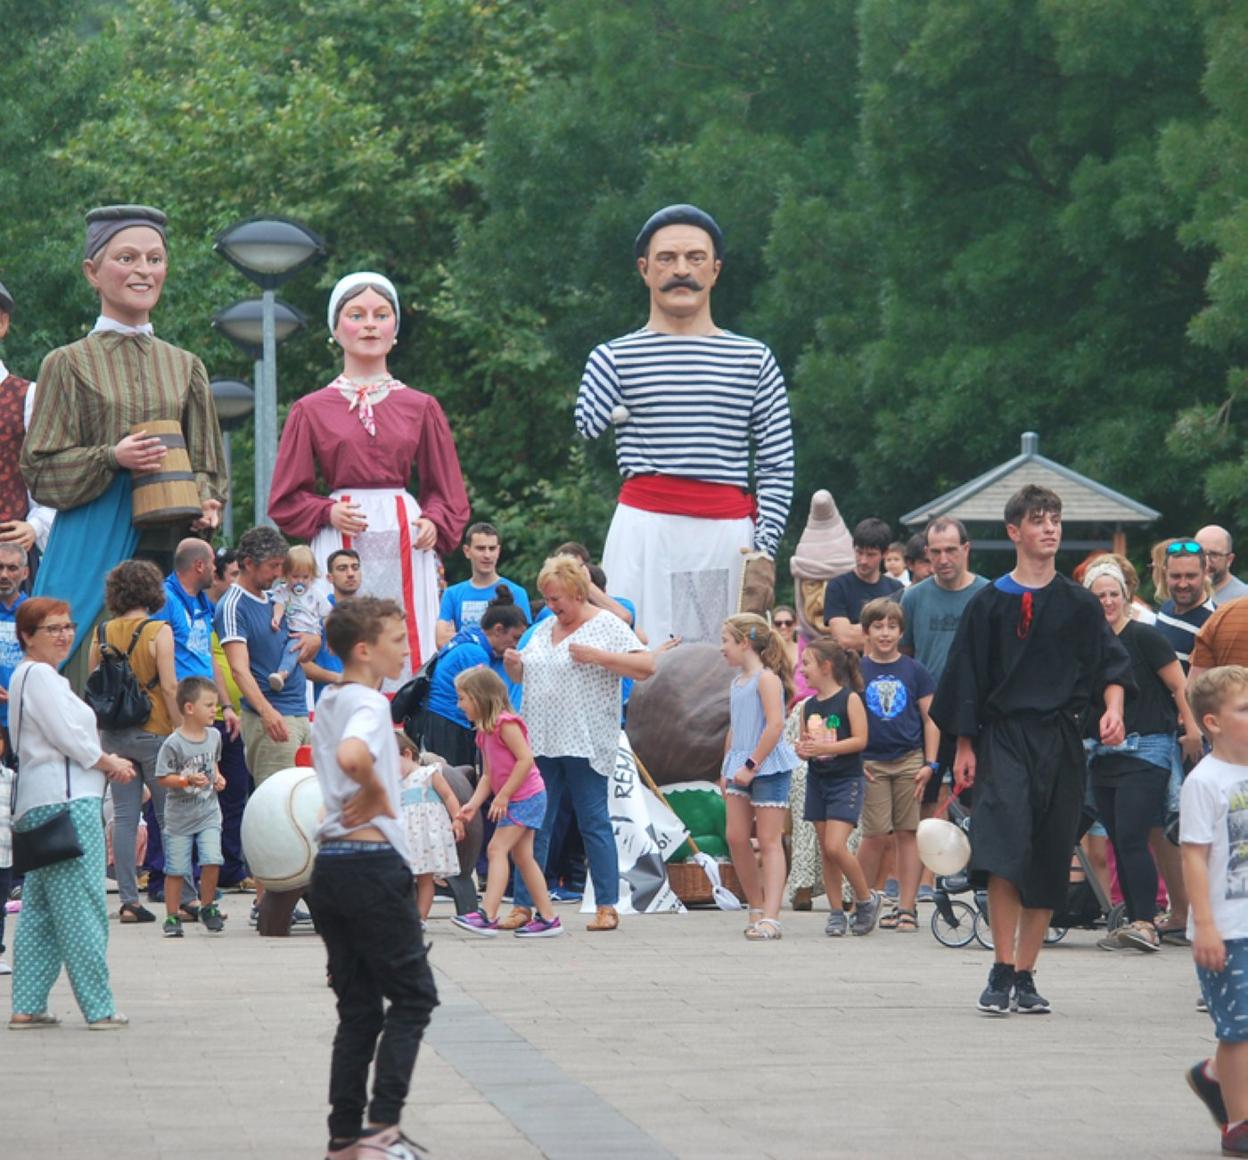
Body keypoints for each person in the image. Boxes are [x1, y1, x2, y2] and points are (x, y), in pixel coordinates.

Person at [932, 484, 1132, 1016]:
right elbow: (966, 679)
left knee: (1047, 854)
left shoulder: (1080, 604)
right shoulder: (988, 604)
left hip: (1061, 739)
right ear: (1014, 531)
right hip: (1003, 738)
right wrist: (964, 748)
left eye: (1056, 520)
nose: (1050, 528)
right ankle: (1000, 967)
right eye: (1039, 520)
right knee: (1003, 848)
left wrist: (1113, 709)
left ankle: (1027, 973)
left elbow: (1110, 665)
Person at [22, 205, 227, 686]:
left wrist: (206, 501)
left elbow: (207, 465)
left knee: (164, 679)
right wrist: (113, 457)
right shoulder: (67, 363)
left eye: (155, 259)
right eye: (128, 258)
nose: (143, 271)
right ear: (92, 272)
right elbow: (39, 470)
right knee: (77, 662)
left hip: (167, 539)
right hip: (92, 533)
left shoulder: (185, 365)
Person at [574, 204, 794, 645]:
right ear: (644, 269)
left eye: (695, 258)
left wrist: (764, 549)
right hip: (645, 530)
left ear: (715, 270)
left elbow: (776, 464)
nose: (681, 270)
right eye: (666, 259)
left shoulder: (753, 358)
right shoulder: (613, 356)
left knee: (717, 664)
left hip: (723, 535)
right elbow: (586, 424)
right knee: (632, 654)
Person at [269, 271, 470, 678]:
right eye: (356, 315)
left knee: (407, 636)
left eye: (380, 315)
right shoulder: (311, 409)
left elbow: (445, 487)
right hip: (341, 530)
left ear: (395, 329)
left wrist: (434, 520)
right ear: (336, 329)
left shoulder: (420, 406)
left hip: (405, 536)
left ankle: (410, 723)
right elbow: (287, 496)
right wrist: (326, 512)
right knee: (342, 632)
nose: (369, 325)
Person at [306, 596, 437, 1160]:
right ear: (364, 650)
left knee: (358, 1009)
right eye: (396, 640)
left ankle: (343, 1140)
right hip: (370, 865)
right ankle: (382, 1131)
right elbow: (356, 754)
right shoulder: (367, 702)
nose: (405, 649)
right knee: (413, 998)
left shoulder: (330, 698)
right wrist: (381, 794)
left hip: (330, 868)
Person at [500, 555, 655, 932]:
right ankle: (524, 904)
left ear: (576, 591)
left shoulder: (606, 626)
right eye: (548, 599)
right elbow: (522, 676)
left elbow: (646, 666)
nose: (552, 606)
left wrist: (598, 656)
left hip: (586, 741)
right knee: (534, 823)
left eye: (558, 599)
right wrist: (513, 666)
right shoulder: (541, 630)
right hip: (541, 741)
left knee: (593, 822)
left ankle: (606, 904)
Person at [8, 597, 135, 1029]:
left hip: (40, 803)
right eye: (52, 628)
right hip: (65, 803)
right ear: (27, 636)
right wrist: (109, 762)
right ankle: (98, 1007)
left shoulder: (31, 676)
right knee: (83, 907)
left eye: (67, 626)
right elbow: (67, 737)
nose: (64, 635)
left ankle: (27, 1004)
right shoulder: (40, 675)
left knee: (41, 912)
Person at [1081, 558, 1201, 952]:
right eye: (1099, 596)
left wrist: (1192, 729)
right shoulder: (1088, 645)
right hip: (1102, 752)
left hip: (1147, 746)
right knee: (1118, 837)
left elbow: (1179, 686)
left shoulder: (1144, 637)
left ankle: (1147, 921)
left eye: (1113, 594)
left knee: (1133, 835)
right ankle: (1134, 919)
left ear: (1126, 597)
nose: (1107, 602)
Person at [88, 559, 181, 922]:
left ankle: (129, 900)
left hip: (114, 735)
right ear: (152, 592)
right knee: (167, 816)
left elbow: (97, 681)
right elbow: (170, 685)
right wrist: (178, 732)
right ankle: (183, 895)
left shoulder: (104, 631)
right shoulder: (159, 630)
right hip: (155, 730)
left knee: (125, 817)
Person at [1181, 666, 1248, 1156]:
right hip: (1227, 927)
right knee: (1241, 1027)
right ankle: (1239, 1123)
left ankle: (1213, 1076)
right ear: (1213, 722)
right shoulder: (1205, 782)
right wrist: (1205, 925)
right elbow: (1194, 857)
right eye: (1244, 709)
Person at [450, 667, 562, 938]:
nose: (459, 704)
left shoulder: (506, 723)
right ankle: (549, 918)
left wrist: (504, 796)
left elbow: (525, 760)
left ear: (479, 698)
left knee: (496, 849)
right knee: (523, 857)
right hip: (519, 798)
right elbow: (488, 774)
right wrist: (474, 804)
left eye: (463, 698)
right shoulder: (484, 731)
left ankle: (488, 914)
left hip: (527, 797)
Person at [854, 599, 938, 933]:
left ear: (901, 631)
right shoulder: (858, 670)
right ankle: (862, 899)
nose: (885, 633)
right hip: (870, 761)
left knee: (908, 832)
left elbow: (931, 719)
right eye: (878, 626)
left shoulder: (914, 670)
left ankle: (907, 906)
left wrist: (931, 762)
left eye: (891, 626)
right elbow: (846, 718)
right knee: (874, 833)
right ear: (867, 632)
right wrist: (853, 759)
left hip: (909, 760)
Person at [901, 518, 989, 826]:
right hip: (927, 713)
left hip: (975, 711)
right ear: (926, 552)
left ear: (966, 549)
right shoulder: (913, 597)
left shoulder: (987, 594)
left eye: (951, 550)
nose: (943, 559)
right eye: (935, 552)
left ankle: (977, 869)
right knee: (924, 799)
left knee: (978, 797)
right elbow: (905, 654)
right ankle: (927, 874)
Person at [214, 526, 315, 788]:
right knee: (278, 805)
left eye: (282, 566)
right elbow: (239, 670)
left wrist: (312, 639)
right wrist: (267, 712)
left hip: (300, 711)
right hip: (271, 718)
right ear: (248, 563)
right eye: (273, 566)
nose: (279, 573)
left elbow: (307, 641)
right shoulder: (233, 604)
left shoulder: (276, 597)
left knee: (306, 800)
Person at [719, 613, 798, 940]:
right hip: (739, 764)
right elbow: (736, 727)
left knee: (769, 841)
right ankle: (754, 904)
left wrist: (751, 765)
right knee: (736, 837)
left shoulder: (767, 679)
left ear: (744, 642)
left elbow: (775, 725)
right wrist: (726, 766)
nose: (721, 648)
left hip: (766, 765)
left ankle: (772, 916)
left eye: (726, 640)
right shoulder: (737, 682)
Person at [794, 639, 880, 936]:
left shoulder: (849, 699)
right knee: (826, 851)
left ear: (826, 667)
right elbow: (807, 741)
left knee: (835, 845)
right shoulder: (809, 706)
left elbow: (860, 740)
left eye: (806, 663)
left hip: (846, 779)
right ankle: (835, 912)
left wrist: (823, 748)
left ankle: (866, 899)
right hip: (818, 779)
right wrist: (804, 749)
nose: (801, 670)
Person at [421, 590, 528, 768]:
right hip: (449, 724)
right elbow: (485, 702)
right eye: (516, 637)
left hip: (439, 721)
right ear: (498, 629)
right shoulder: (476, 654)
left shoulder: (469, 638)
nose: (517, 644)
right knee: (458, 781)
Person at [155, 677, 227, 937]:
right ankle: (172, 916)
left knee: (212, 859)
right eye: (208, 705)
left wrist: (217, 777)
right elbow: (162, 777)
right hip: (179, 816)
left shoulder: (215, 736)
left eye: (215, 705)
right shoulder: (173, 743)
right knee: (176, 868)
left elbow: (213, 763)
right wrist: (185, 780)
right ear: (189, 708)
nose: (213, 710)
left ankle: (208, 906)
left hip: (208, 811)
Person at [0, 282, 54, 565]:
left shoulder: (28, 395)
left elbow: (48, 481)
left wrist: (35, 526)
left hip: (9, 562)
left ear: (2, 323)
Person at [207, 548, 251, 888]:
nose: (238, 581)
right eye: (233, 574)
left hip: (236, 717)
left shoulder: (239, 608)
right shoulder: (206, 611)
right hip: (209, 717)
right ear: (217, 576)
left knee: (235, 793)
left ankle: (232, 869)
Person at [395, 733, 463, 926]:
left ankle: (420, 919)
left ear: (407, 754)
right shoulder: (397, 783)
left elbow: (448, 796)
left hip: (427, 836)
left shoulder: (429, 773)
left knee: (425, 879)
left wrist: (457, 819)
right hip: (406, 837)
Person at [435, 522, 532, 647]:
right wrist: (495, 640)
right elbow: (441, 641)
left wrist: (460, 636)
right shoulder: (452, 594)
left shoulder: (516, 592)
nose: (487, 555)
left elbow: (523, 642)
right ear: (467, 551)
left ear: (498, 551)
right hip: (465, 665)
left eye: (492, 549)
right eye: (480, 548)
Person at [822, 518, 904, 653]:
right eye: (859, 552)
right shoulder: (838, 586)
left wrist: (858, 629)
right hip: (851, 670)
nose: (863, 560)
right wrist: (886, 632)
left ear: (885, 553)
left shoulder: (897, 588)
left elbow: (903, 639)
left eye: (871, 554)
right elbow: (844, 639)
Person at [267, 545, 333, 693]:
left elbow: (328, 615)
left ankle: (281, 674)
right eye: (295, 576)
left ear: (312, 576)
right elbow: (279, 603)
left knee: (292, 650)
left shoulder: (315, 594)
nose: (300, 582)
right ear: (286, 574)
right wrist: (276, 618)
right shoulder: (283, 591)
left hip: (307, 632)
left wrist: (330, 638)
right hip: (291, 631)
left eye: (305, 577)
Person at [304, 548, 365, 696]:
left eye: (355, 567)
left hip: (365, 702)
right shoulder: (316, 613)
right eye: (342, 569)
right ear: (329, 578)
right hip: (331, 702)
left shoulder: (371, 614)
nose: (350, 573)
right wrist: (339, 678)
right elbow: (301, 663)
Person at [0, 543, 29, 757]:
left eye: (12, 568)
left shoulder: (35, 613)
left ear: (25, 572)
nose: (4, 574)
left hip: (24, 717)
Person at [1196, 526, 1248, 607]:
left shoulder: (1244, 599)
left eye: (1214, 555)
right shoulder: (1182, 595)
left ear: (1229, 560)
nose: (1206, 561)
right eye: (1200, 553)